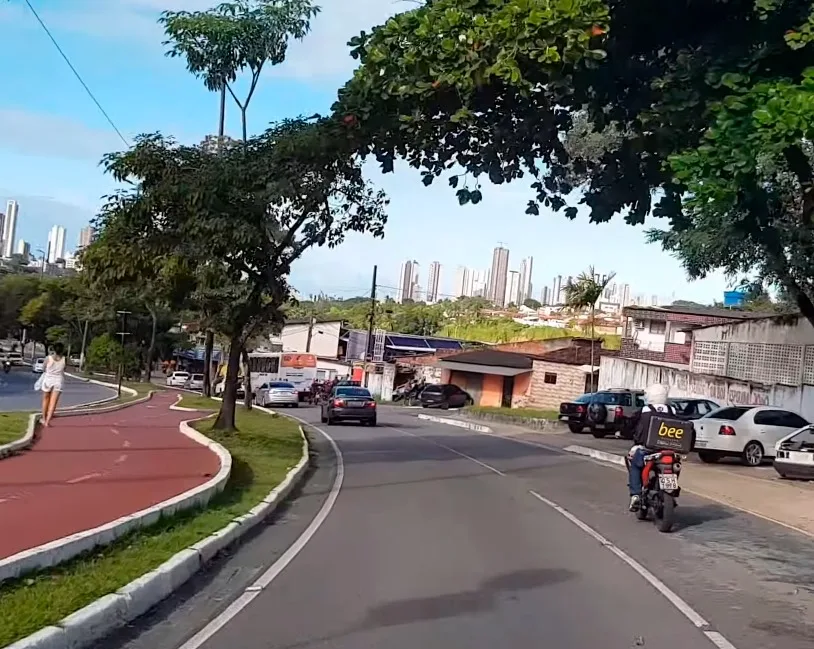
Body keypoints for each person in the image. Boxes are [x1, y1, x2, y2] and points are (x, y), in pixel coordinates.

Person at [627, 383, 676, 511]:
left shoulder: (644, 410)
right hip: (668, 451)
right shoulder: (672, 410)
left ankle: (636, 494)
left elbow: (631, 424)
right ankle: (672, 490)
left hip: (647, 450)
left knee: (635, 466)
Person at [40, 342, 67, 427]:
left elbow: (43, 368)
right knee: (53, 403)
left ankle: (43, 419)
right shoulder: (64, 359)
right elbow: (64, 369)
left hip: (48, 380)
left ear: (54, 349)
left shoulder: (48, 358)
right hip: (58, 381)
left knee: (45, 399)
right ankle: (48, 421)